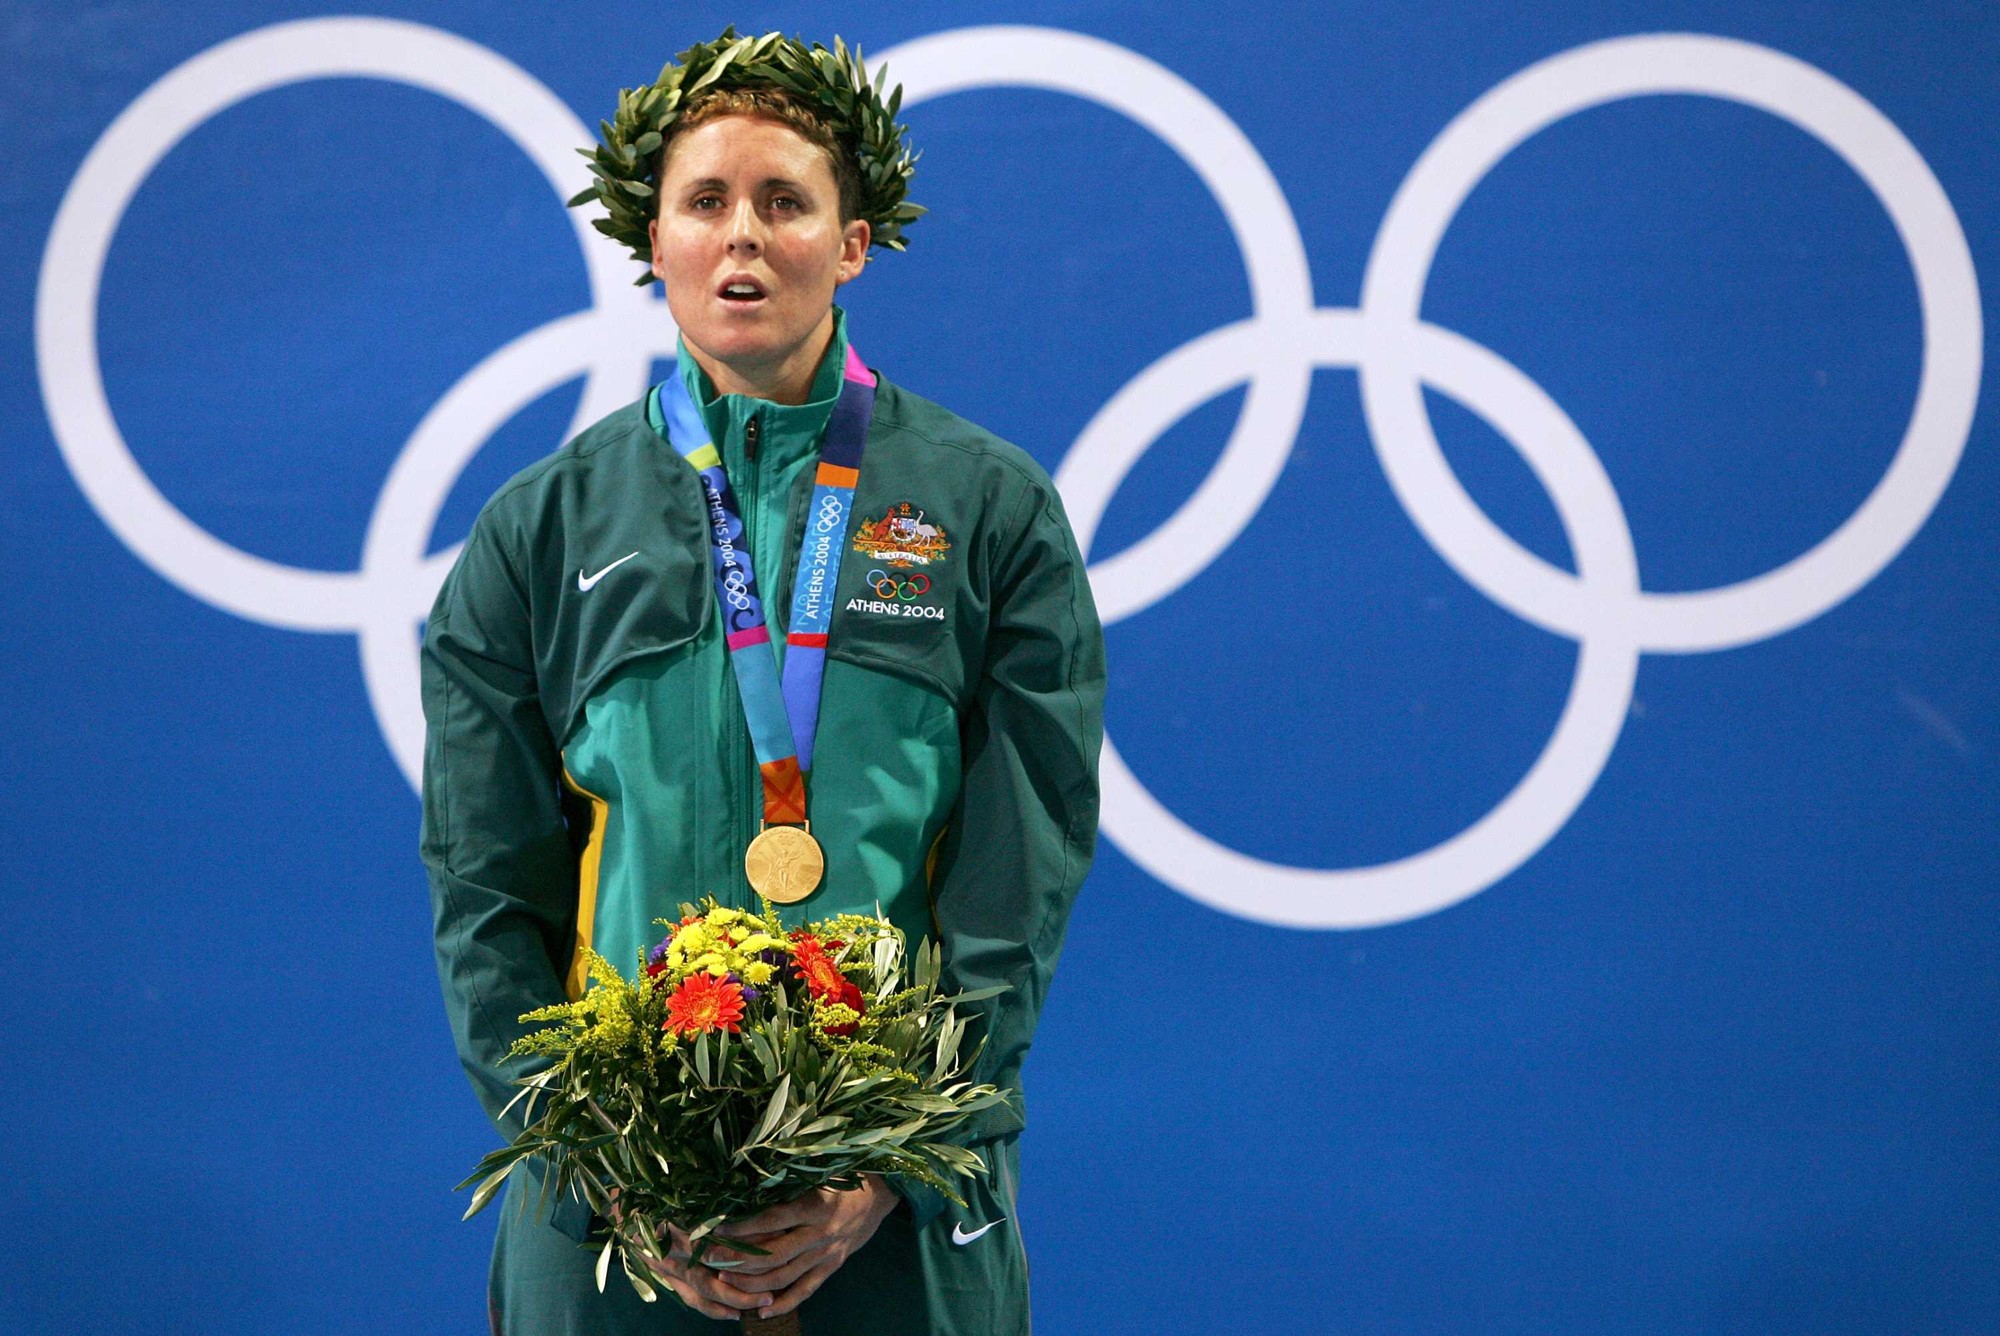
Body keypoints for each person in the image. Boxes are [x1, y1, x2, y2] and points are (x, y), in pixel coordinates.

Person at [419, 28, 1105, 1336]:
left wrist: (890, 1162)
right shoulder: (537, 533)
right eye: (706, 203)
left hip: (896, 1223)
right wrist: (598, 1161)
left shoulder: (987, 509)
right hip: (615, 1234)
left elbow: (1021, 871)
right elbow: (484, 887)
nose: (744, 236)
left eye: (786, 202)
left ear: (852, 242)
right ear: (652, 240)